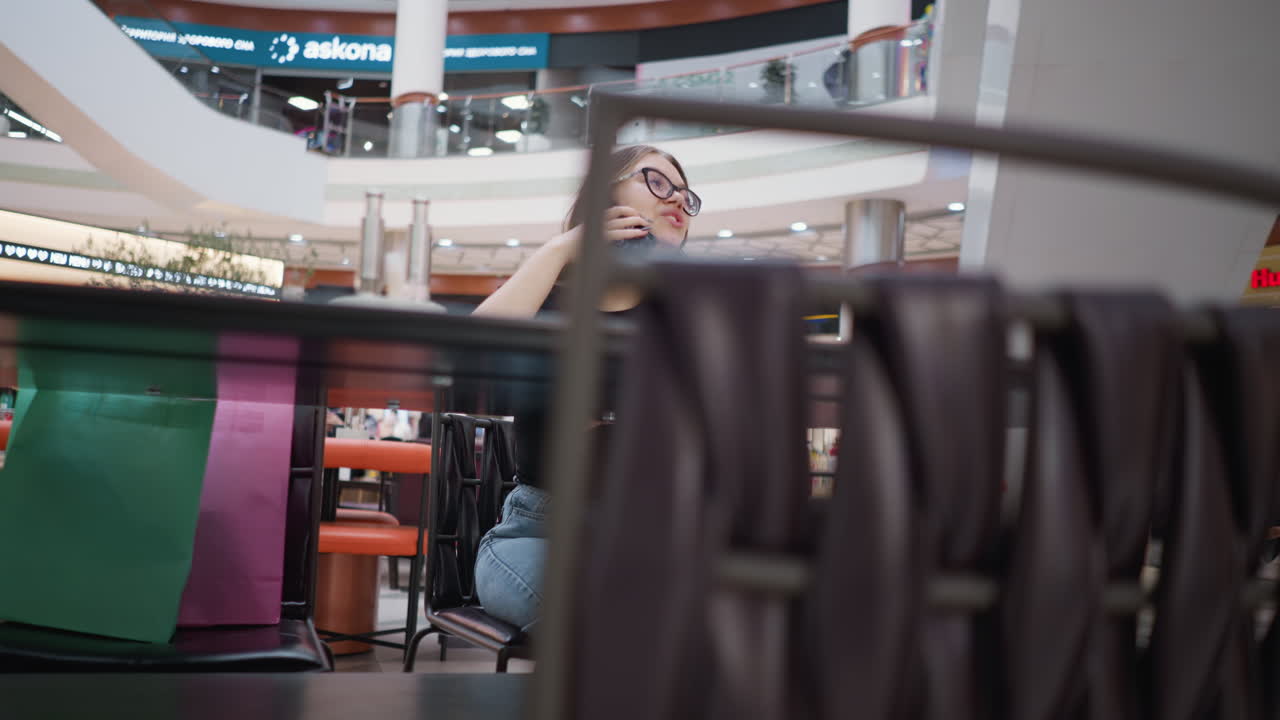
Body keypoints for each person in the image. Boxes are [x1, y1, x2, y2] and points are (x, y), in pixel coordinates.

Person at [470, 144, 701, 632]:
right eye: (657, 182)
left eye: (685, 194)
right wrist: (562, 248)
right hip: (536, 532)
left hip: (650, 537)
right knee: (605, 616)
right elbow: (468, 357)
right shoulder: (548, 301)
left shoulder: (684, 317)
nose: (677, 199)